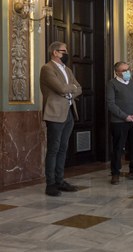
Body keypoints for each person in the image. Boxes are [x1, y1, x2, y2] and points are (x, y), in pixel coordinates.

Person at [40, 41, 82, 196]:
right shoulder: (47, 69)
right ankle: (50, 184)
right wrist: (71, 89)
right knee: (53, 148)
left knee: (63, 148)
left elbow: (80, 88)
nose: (66, 54)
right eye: (64, 51)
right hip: (55, 113)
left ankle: (60, 180)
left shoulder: (67, 69)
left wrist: (69, 90)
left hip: (69, 112)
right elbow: (61, 88)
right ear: (55, 53)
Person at [106, 61, 133, 185]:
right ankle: (115, 173)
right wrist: (125, 116)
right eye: (123, 70)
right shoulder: (112, 84)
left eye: (128, 69)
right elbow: (110, 104)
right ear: (117, 72)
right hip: (119, 122)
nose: (127, 72)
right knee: (118, 148)